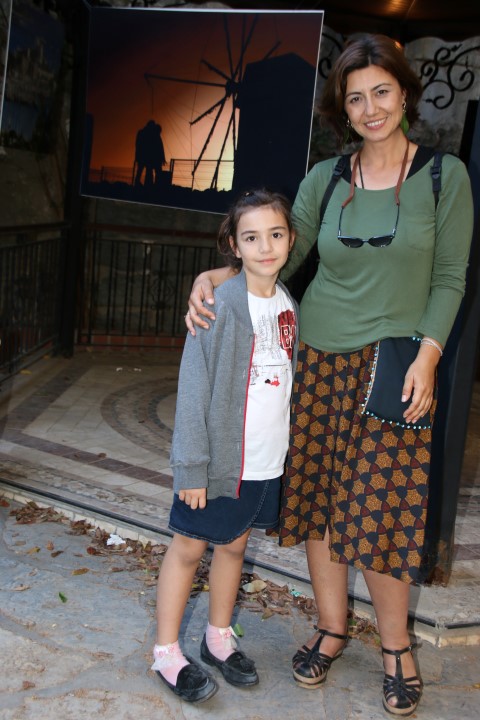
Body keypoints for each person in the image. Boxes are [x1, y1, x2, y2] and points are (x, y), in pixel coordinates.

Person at [184, 34, 474, 716]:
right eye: (355, 98)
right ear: (342, 109)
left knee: (381, 509)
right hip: (315, 359)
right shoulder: (326, 178)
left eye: (381, 92)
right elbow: (283, 254)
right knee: (319, 502)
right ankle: (332, 627)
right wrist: (219, 274)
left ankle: (397, 646)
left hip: (396, 366)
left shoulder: (444, 176)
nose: (370, 108)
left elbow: (451, 276)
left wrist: (430, 355)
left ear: (404, 93)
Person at [152, 189, 299, 702]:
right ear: (234, 246)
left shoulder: (288, 304)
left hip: (263, 462)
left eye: (275, 234)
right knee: (189, 548)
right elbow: (194, 389)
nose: (265, 247)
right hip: (217, 464)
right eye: (251, 237)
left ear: (291, 240)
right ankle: (166, 652)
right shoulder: (218, 306)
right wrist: (191, 467)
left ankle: (217, 637)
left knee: (235, 544)